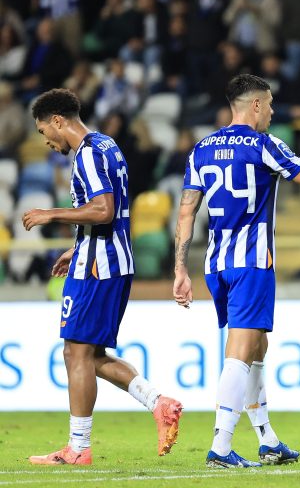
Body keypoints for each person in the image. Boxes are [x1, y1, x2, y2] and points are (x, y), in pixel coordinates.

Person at [172, 74, 300, 468]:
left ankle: (267, 439)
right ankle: (221, 447)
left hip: (216, 265)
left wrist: (180, 268)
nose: (274, 111)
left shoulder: (201, 149)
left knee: (256, 348)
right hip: (252, 263)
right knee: (240, 354)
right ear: (256, 106)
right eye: (271, 103)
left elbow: (187, 210)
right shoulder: (264, 145)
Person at [23, 89, 182, 465]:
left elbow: (104, 210)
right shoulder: (107, 145)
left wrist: (52, 214)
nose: (47, 140)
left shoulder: (88, 155)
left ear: (59, 121)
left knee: (75, 352)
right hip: (106, 259)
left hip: (99, 266)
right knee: (88, 354)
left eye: (46, 131)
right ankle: (159, 403)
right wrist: (76, 246)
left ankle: (78, 448)